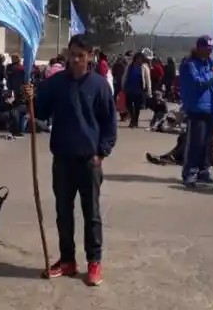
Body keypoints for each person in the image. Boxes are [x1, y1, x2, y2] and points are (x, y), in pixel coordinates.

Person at [24, 34, 116, 287]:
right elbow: (41, 111)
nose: (74, 60)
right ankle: (67, 261)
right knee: (63, 213)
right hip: (62, 159)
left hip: (89, 161)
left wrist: (101, 152)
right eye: (72, 54)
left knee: (92, 214)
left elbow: (109, 122)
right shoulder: (56, 83)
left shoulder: (99, 86)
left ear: (89, 57)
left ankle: (94, 262)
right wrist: (31, 97)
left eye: (80, 56)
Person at [177, 36, 213, 188]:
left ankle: (204, 170)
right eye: (207, 49)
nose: (210, 52)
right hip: (197, 108)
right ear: (199, 48)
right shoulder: (189, 65)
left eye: (211, 49)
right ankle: (190, 172)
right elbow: (198, 82)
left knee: (208, 143)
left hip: (210, 108)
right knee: (196, 142)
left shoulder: (209, 63)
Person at [122, 51, 151, 128]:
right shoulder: (130, 66)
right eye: (138, 58)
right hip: (129, 88)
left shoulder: (144, 67)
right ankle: (133, 118)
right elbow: (125, 76)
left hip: (139, 89)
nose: (139, 60)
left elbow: (148, 80)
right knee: (128, 105)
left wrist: (149, 91)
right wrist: (123, 85)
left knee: (137, 107)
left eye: (141, 58)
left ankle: (135, 121)